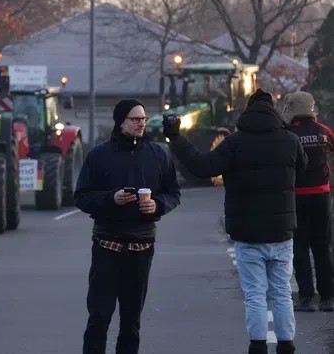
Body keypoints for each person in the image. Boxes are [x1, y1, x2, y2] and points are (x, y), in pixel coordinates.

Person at [163, 88, 306, 354]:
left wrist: (176, 138)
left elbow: (203, 167)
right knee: (282, 292)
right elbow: (304, 168)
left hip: (247, 234)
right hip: (281, 232)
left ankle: (258, 346)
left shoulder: (234, 143)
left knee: (255, 294)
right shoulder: (289, 140)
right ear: (274, 112)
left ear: (247, 112)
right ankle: (286, 345)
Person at [75, 98, 181, 354]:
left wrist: (157, 205)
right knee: (99, 318)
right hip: (107, 246)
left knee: (131, 322)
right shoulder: (99, 155)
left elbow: (173, 193)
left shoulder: (158, 154)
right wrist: (111, 199)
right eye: (135, 119)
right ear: (120, 122)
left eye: (143, 119)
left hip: (142, 248)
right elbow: (81, 197)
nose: (141, 124)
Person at [281, 91, 334, 313]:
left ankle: (305, 298)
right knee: (322, 247)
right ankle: (328, 298)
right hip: (322, 196)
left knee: (300, 247)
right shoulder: (324, 131)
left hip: (297, 197)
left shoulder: (288, 134)